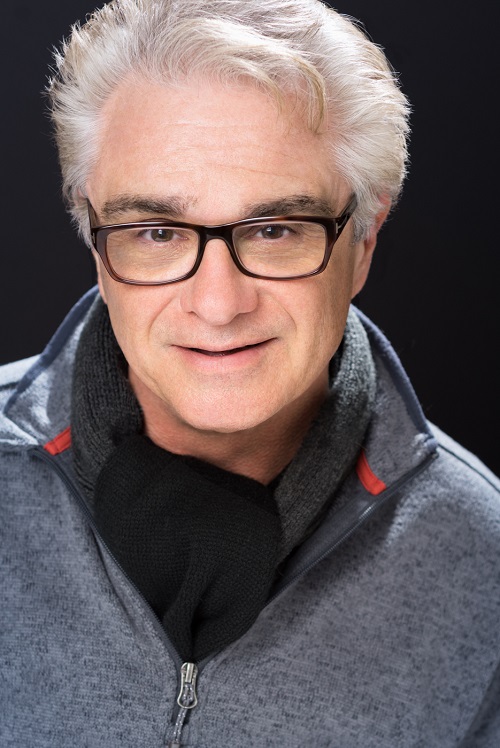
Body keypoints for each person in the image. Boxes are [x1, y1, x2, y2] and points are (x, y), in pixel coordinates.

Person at [1, 0, 498, 745]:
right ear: (94, 239)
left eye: (274, 230)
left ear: (363, 243)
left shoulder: (484, 564)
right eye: (157, 232)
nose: (218, 303)